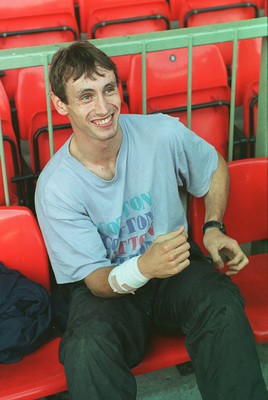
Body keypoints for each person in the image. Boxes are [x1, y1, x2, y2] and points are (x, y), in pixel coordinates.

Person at [35, 40, 268, 400]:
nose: (103, 106)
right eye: (86, 96)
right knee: (85, 347)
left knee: (220, 301)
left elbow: (214, 166)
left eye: (109, 89)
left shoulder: (160, 132)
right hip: (107, 289)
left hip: (175, 265)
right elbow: (96, 281)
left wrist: (213, 227)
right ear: (60, 104)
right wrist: (143, 267)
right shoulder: (55, 186)